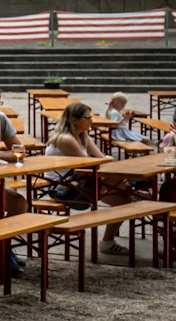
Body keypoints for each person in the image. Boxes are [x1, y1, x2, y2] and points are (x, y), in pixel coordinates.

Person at [48, 101, 137, 255]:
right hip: (63, 188)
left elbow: (101, 159)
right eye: (87, 118)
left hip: (81, 181)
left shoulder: (82, 135)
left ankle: (107, 242)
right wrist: (104, 160)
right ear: (74, 121)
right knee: (118, 186)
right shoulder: (65, 139)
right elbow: (91, 164)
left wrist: (104, 160)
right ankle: (134, 190)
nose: (91, 121)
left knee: (123, 202)